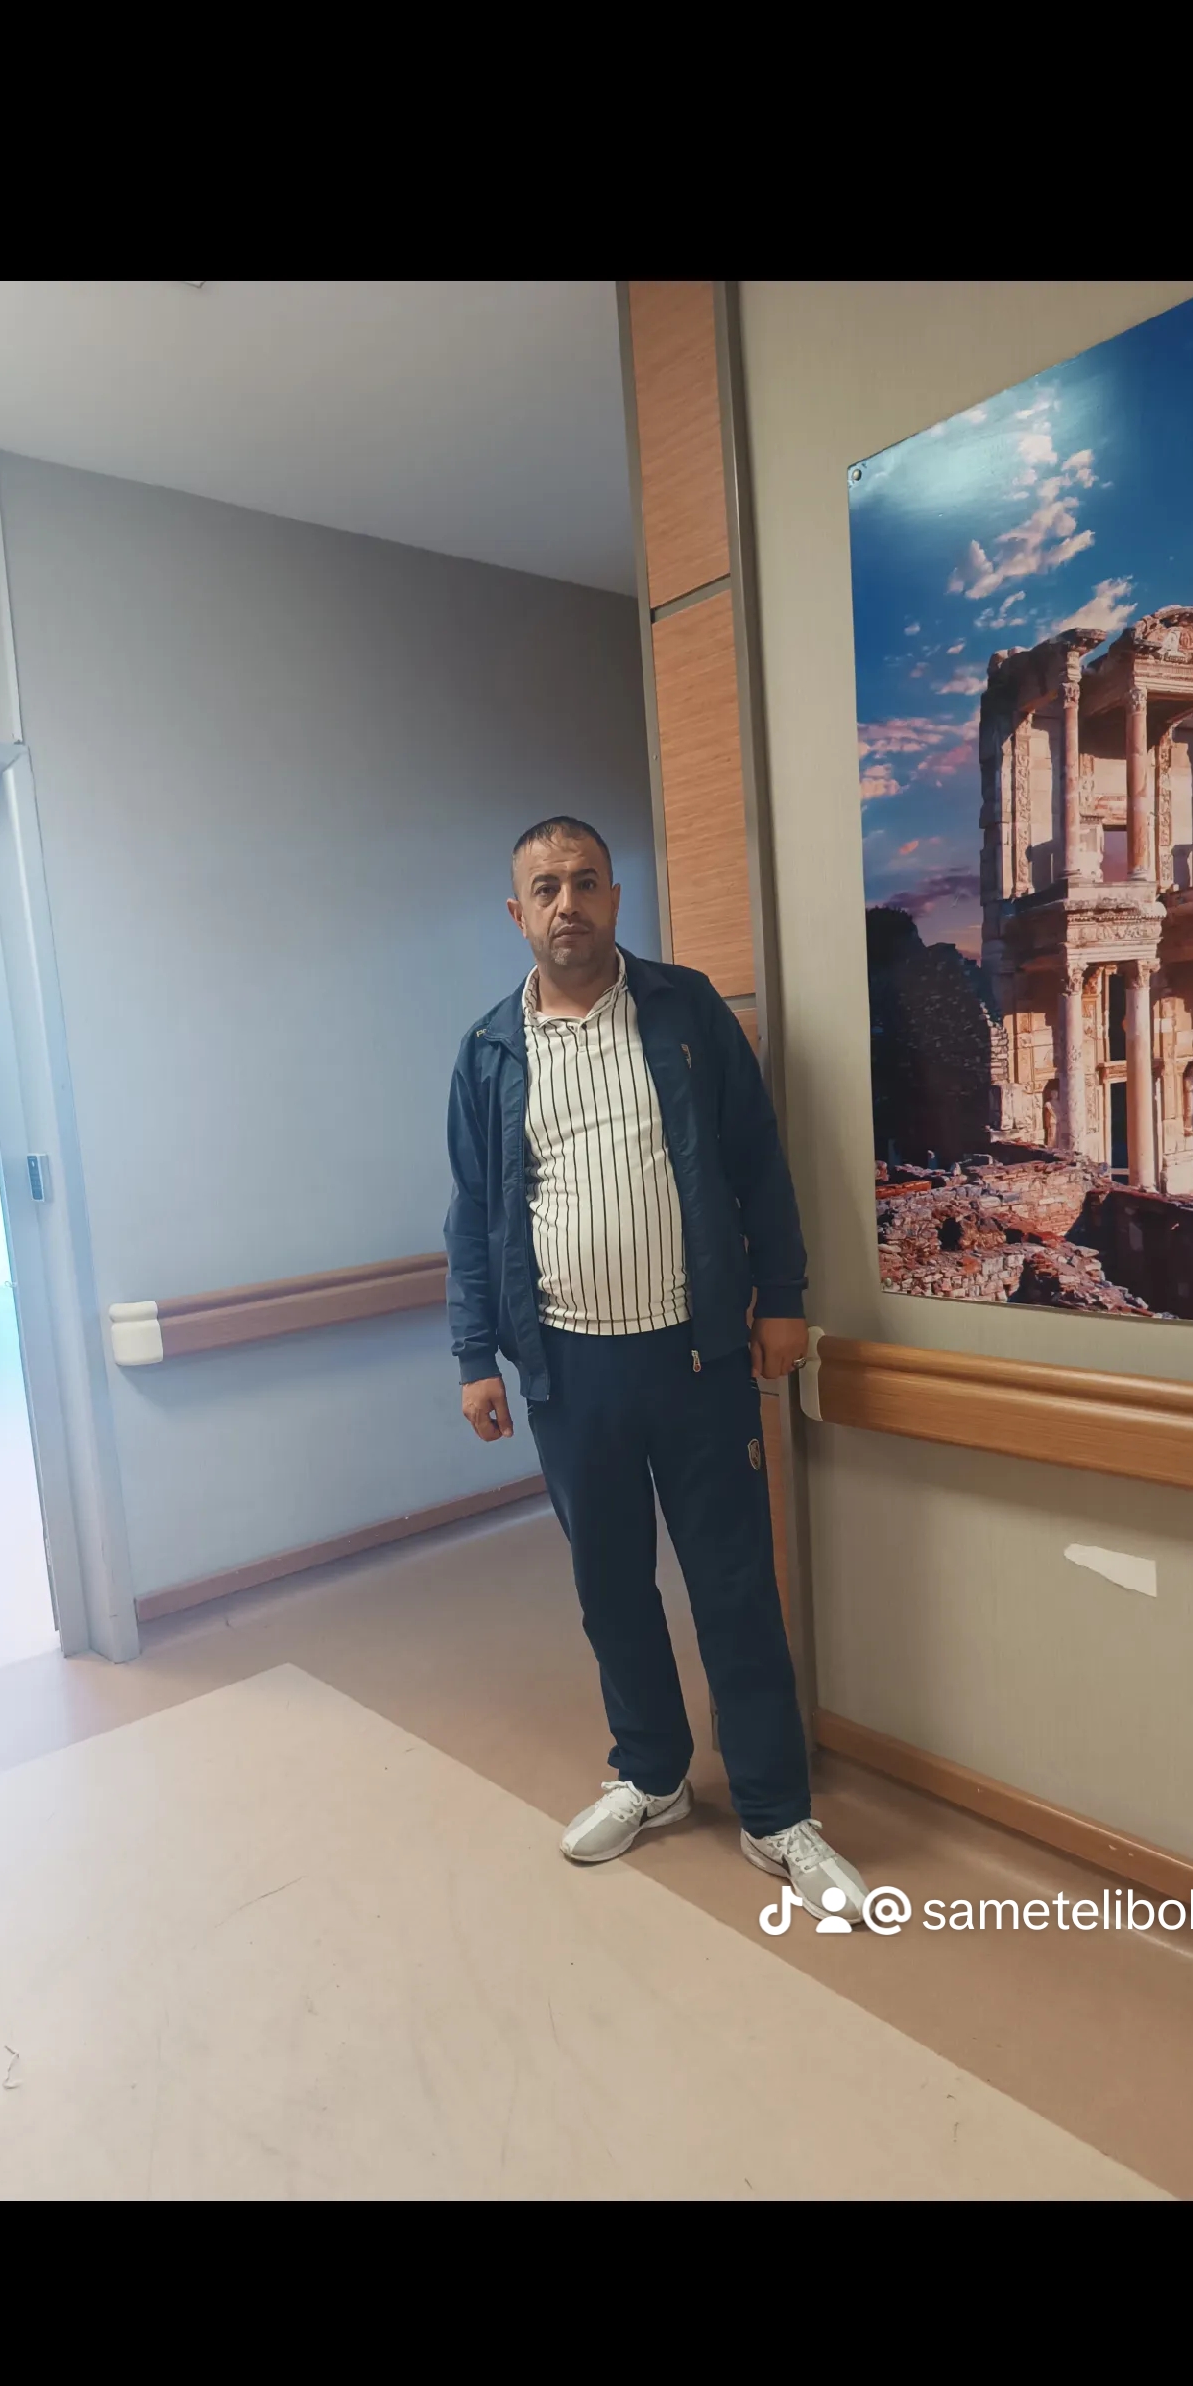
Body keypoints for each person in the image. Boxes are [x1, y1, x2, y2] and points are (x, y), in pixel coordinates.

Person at [443, 817, 868, 1924]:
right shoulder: (489, 1051)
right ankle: (650, 1773)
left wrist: (784, 1298)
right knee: (611, 1586)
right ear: (518, 914)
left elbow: (756, 1163)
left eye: (586, 881)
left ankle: (776, 1812)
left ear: (616, 898)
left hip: (695, 1357)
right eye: (546, 888)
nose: (568, 903)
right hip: (567, 1371)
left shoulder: (686, 1014)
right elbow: (475, 1214)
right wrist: (474, 1353)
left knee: (734, 1586)